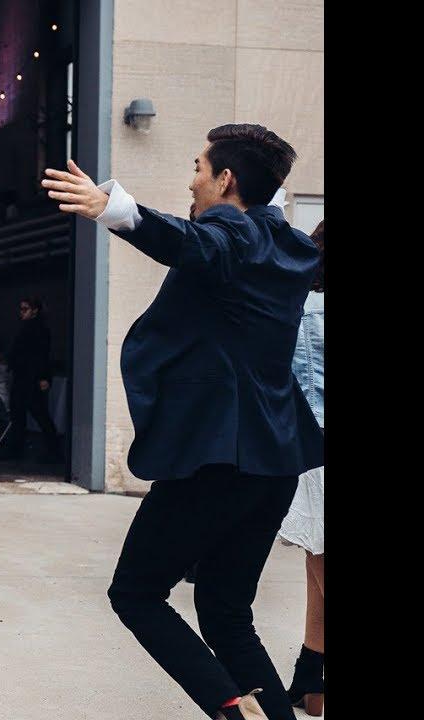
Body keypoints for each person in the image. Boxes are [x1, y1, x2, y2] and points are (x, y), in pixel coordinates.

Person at [43, 124, 323, 720]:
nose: (190, 180)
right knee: (225, 612)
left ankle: (229, 708)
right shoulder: (289, 244)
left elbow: (199, 244)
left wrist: (115, 209)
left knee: (137, 593)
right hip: (273, 462)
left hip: (218, 458)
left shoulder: (233, 232)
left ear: (226, 180)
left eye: (198, 167)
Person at [277, 220, 324, 716]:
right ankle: (312, 681)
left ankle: (312, 682)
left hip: (311, 453)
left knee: (319, 566)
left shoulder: (296, 308)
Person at [0, 297, 61, 462]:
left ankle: (52, 450)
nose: (21, 312)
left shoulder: (37, 330)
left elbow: (42, 356)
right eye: (21, 309)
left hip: (30, 378)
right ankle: (22, 449)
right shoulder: (30, 329)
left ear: (34, 310)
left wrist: (43, 377)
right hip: (25, 377)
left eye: (25, 309)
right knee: (24, 415)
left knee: (37, 414)